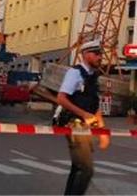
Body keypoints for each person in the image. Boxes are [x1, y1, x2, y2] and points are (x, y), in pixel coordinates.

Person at [56, 39, 105, 195]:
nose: (100, 57)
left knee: (78, 168)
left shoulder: (93, 76)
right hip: (73, 123)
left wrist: (102, 131)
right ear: (85, 54)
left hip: (85, 126)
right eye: (96, 54)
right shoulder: (75, 73)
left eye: (100, 54)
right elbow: (61, 98)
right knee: (86, 169)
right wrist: (84, 114)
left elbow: (94, 105)